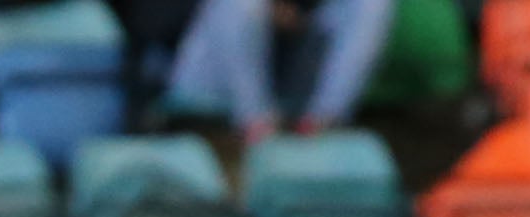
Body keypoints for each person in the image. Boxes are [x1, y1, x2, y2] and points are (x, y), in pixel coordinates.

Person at [166, 0, 395, 140]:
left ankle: (324, 122)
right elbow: (156, 23)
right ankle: (255, 125)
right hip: (211, 90)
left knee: (373, 3)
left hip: (294, 90)